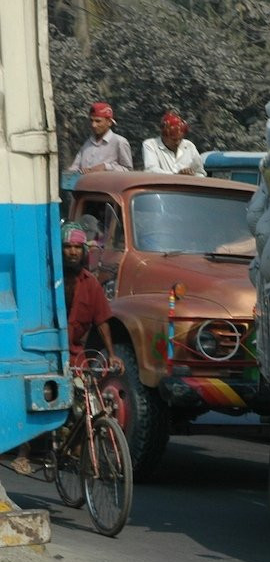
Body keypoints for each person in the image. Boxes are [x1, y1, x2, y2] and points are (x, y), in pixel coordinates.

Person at [8, 223, 121, 476]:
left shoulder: (91, 284)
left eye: (76, 247)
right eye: (67, 247)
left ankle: (77, 451)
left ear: (83, 251)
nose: (72, 252)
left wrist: (112, 354)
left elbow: (102, 321)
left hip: (74, 356)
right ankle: (23, 454)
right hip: (40, 354)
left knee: (87, 403)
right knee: (31, 399)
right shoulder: (45, 282)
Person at [65, 102, 133, 174]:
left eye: (98, 121)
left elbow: (128, 171)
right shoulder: (87, 144)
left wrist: (106, 167)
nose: (93, 125)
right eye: (91, 120)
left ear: (109, 122)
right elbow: (74, 169)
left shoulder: (120, 142)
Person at [141, 111, 205, 176]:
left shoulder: (189, 146)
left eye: (180, 139)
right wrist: (177, 175)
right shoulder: (151, 145)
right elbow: (151, 170)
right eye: (174, 139)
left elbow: (200, 173)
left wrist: (192, 175)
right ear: (164, 136)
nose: (178, 143)